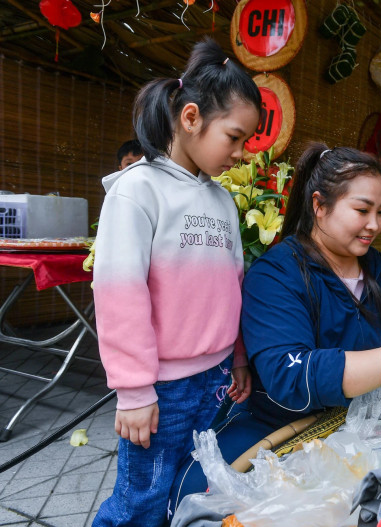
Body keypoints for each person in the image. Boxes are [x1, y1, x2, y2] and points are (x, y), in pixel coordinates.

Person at [169, 143, 381, 510]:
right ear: (319, 205)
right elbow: (288, 376)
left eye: (380, 212)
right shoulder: (276, 275)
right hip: (280, 431)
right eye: (362, 210)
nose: (375, 225)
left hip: (370, 427)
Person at [91, 39, 259, 526]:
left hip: (215, 382)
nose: (241, 154)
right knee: (139, 503)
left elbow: (234, 288)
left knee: (187, 491)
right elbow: (120, 295)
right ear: (190, 118)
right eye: (234, 137)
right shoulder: (137, 191)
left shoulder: (222, 201)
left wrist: (239, 358)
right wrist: (135, 392)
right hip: (161, 388)